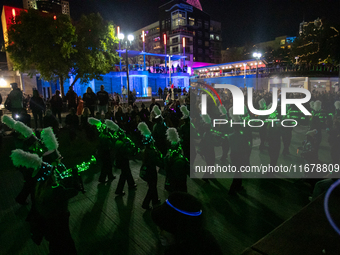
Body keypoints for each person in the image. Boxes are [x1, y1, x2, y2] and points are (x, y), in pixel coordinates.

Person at [151, 192, 223, 255]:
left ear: (179, 229)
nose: (159, 233)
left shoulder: (179, 252)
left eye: (163, 228)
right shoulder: (203, 238)